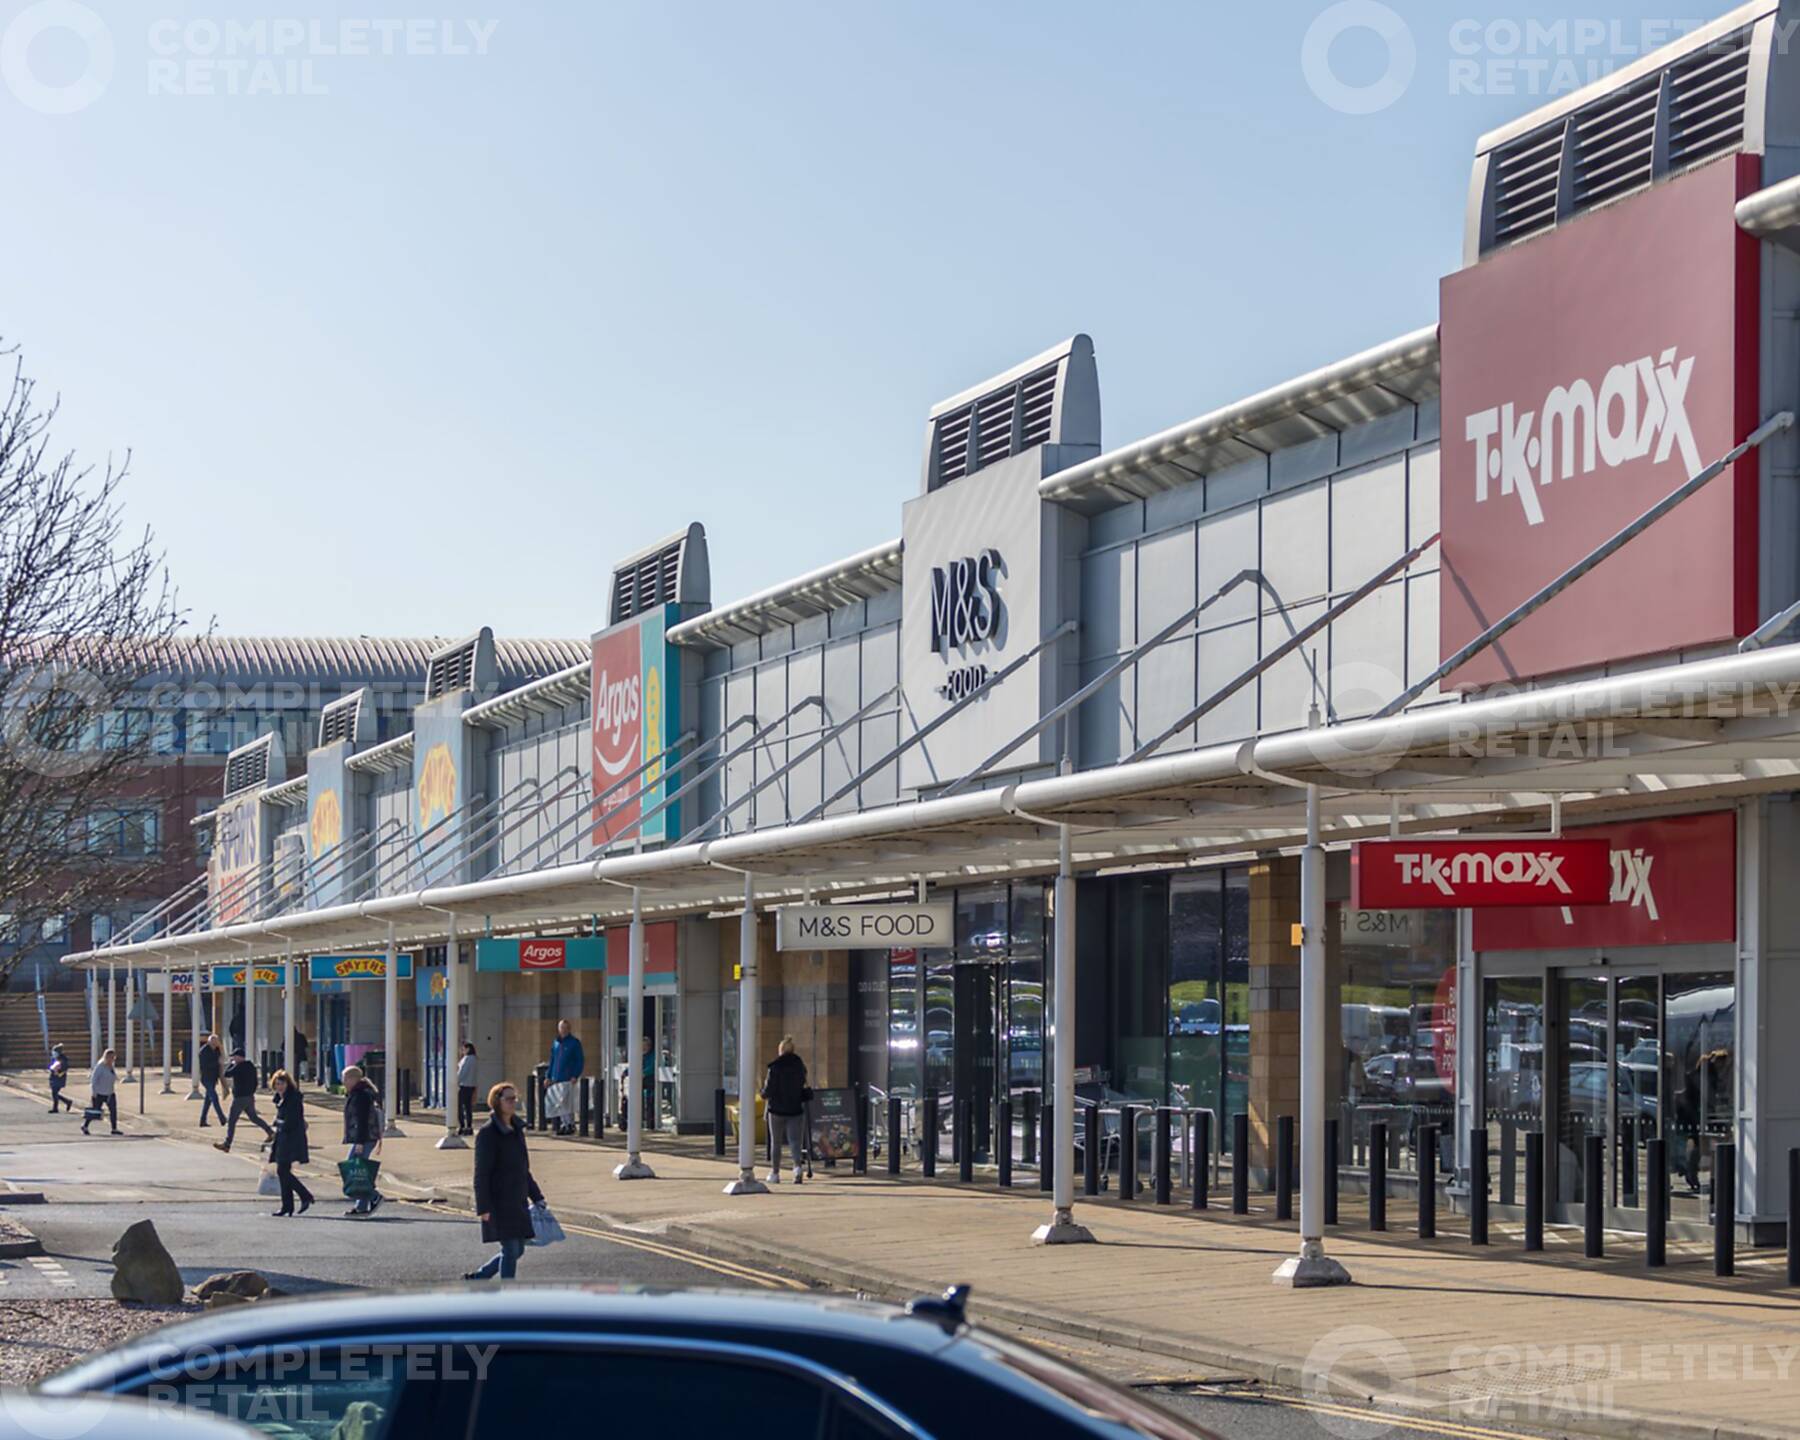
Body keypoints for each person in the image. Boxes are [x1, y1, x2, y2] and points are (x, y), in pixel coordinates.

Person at [466, 1081, 544, 1281]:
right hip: (498, 1201)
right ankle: (507, 1294)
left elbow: (523, 1169)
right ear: (496, 1101)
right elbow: (481, 1173)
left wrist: (537, 1197)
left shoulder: (517, 1129)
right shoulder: (488, 1133)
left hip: (517, 1200)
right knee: (510, 1248)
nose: (513, 1102)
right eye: (508, 1099)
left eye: (514, 1098)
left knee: (518, 1250)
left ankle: (480, 1276)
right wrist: (483, 1207)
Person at [760, 1035, 810, 1185]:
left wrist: (762, 1093)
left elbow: (768, 1090)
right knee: (795, 1141)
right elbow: (804, 1085)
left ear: (780, 1051)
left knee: (776, 1142)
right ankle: (797, 1169)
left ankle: (775, 1173)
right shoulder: (800, 1066)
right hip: (795, 1109)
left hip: (776, 1109)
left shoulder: (775, 1067)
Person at [340, 1064, 385, 1216]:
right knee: (359, 1170)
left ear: (353, 1079)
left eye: (345, 1078)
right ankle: (361, 1207)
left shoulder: (361, 1095)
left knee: (354, 1169)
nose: (343, 1082)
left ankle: (374, 1197)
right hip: (366, 1137)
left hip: (365, 1138)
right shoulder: (359, 1093)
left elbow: (362, 1120)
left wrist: (359, 1142)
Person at [268, 1069, 313, 1217]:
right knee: (283, 1171)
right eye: (277, 1084)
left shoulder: (293, 1098)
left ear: (288, 1084)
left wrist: (279, 1123)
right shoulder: (280, 1098)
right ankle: (287, 1205)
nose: (279, 1087)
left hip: (291, 1138)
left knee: (283, 1171)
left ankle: (304, 1195)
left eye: (282, 1084)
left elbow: (292, 1120)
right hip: (283, 1138)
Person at [213, 1049, 274, 1153]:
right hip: (249, 1096)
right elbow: (255, 1082)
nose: (233, 1059)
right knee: (253, 1117)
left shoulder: (238, 1066)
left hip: (240, 1098)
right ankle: (270, 1132)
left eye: (234, 1057)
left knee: (232, 1121)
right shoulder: (251, 1066)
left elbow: (226, 1074)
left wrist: (231, 1064)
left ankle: (227, 1144)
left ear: (239, 1057)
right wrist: (251, 1092)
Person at [546, 1020, 583, 1136]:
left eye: (565, 1028)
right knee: (559, 1102)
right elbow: (552, 1060)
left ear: (569, 1029)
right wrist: (548, 1076)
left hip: (567, 1077)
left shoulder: (574, 1043)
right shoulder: (556, 1043)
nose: (563, 1030)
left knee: (566, 1102)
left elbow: (579, 1060)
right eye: (561, 1028)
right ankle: (564, 1123)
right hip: (556, 1077)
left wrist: (575, 1074)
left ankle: (570, 1124)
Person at [83, 1049, 119, 1136]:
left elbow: (113, 1077)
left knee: (113, 1110)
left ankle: (114, 1128)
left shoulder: (111, 1067)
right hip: (99, 1093)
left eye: (114, 1058)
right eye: (111, 1058)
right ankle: (85, 1125)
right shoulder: (100, 1066)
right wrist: (94, 1092)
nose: (112, 1060)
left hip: (110, 1093)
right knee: (95, 1111)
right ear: (106, 1057)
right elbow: (94, 1080)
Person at [197, 1034, 226, 1127]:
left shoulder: (217, 1050)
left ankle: (202, 1120)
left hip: (213, 1078)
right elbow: (204, 1066)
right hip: (206, 1078)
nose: (215, 1044)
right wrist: (217, 1062)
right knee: (214, 1097)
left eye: (216, 1042)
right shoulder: (204, 1051)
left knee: (208, 1100)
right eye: (213, 1042)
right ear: (209, 1042)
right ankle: (222, 1118)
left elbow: (221, 1059)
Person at [456, 1043, 478, 1136]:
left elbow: (462, 1072)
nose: (462, 1051)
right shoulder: (475, 1059)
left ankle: (461, 1126)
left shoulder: (467, 1059)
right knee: (468, 1107)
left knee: (460, 1106)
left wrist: (456, 1081)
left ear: (468, 1049)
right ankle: (469, 1126)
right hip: (471, 1085)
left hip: (464, 1085)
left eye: (463, 1049)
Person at [47, 1044, 73, 1113]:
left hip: (59, 1078)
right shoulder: (54, 1058)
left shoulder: (63, 1059)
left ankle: (56, 1108)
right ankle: (67, 1102)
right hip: (53, 1078)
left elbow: (64, 1069)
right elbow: (51, 1066)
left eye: (54, 1052)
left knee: (54, 1093)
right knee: (54, 1093)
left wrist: (58, 1073)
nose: (53, 1053)